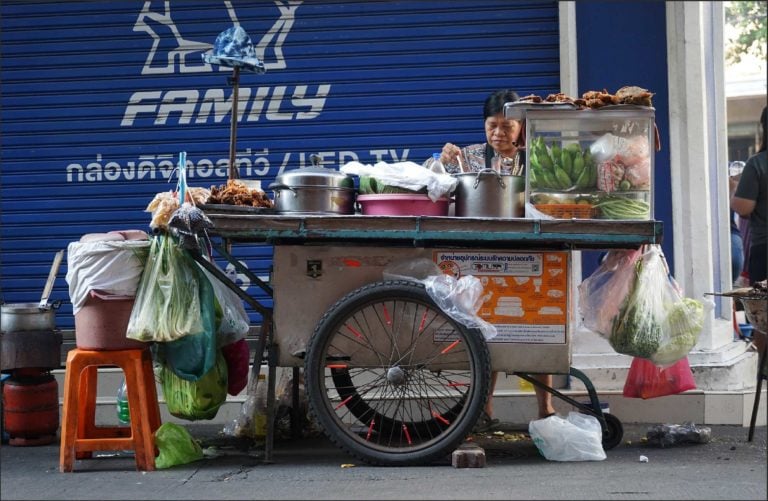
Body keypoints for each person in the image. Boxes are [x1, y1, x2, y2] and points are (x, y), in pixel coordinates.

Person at [439, 89, 556, 431]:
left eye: (507, 127)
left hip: (532, 250)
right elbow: (446, 186)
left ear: (521, 127)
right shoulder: (471, 157)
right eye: (493, 126)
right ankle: (484, 409)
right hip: (484, 255)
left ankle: (545, 408)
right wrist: (444, 161)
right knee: (486, 329)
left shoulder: (537, 157)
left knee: (539, 325)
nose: (499, 134)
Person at [731, 106, 767, 287]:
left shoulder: (758, 163)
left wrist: (734, 190)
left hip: (764, 250)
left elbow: (743, 207)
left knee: (762, 311)